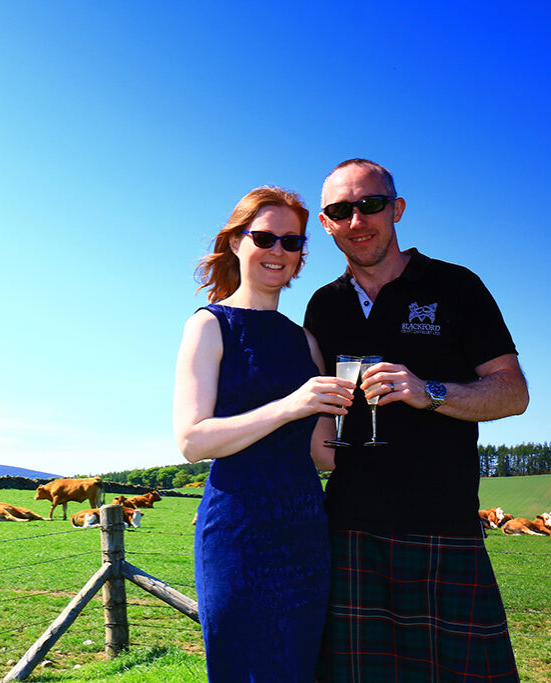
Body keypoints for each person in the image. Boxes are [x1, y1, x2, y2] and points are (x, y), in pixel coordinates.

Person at [304, 159, 529, 682]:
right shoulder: (324, 306)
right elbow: (317, 424)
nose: (357, 220)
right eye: (341, 210)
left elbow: (513, 393)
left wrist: (427, 391)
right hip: (349, 531)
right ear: (326, 223)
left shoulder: (456, 286)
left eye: (371, 204)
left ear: (396, 208)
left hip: (442, 529)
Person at [173, 186, 354, 682]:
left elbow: (322, 452)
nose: (278, 252)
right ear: (236, 242)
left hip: (305, 535)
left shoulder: (305, 340)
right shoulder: (210, 326)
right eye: (265, 238)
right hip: (237, 533)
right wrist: (287, 407)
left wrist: (384, 427)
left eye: (291, 243)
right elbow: (192, 441)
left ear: (300, 257)